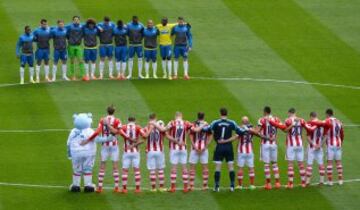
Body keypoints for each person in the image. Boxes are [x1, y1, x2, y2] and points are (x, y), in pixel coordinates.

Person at [196, 108, 248, 192]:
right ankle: (232, 186)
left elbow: (206, 130)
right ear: (227, 114)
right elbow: (242, 132)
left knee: (218, 167)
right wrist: (240, 131)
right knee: (230, 166)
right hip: (228, 147)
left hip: (219, 147)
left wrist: (201, 125)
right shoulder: (232, 123)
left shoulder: (215, 122)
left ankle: (217, 186)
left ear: (220, 114)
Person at [81, 106, 122, 193]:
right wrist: (109, 126)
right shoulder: (117, 121)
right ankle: (116, 188)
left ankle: (100, 187)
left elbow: (97, 132)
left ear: (107, 111)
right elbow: (116, 132)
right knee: (115, 166)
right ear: (114, 111)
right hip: (114, 145)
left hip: (104, 145)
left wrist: (88, 140)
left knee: (102, 165)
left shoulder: (102, 120)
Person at [271, 108, 313, 188]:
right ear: (295, 112)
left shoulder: (288, 120)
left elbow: (286, 130)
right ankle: (303, 183)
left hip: (291, 145)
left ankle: (290, 183)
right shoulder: (302, 120)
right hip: (300, 144)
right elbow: (308, 128)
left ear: (289, 112)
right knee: (301, 164)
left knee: (290, 164)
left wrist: (292, 125)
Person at [109, 116, 145, 193]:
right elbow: (144, 137)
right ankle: (138, 189)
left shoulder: (123, 127)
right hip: (136, 152)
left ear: (128, 120)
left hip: (126, 151)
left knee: (125, 170)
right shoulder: (138, 127)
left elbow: (115, 132)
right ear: (135, 120)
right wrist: (135, 144)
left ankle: (124, 189)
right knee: (136, 170)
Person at [309, 109, 344, 186]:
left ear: (327, 114)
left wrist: (307, 122)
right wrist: (341, 142)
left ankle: (330, 181)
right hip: (338, 144)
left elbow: (316, 124)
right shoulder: (339, 121)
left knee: (329, 162)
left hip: (330, 144)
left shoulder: (326, 121)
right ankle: (340, 180)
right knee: (338, 162)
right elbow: (342, 134)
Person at [163, 112, 193, 193]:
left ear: (175, 116)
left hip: (174, 148)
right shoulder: (186, 123)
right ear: (181, 116)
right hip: (183, 148)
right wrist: (186, 136)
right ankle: (186, 187)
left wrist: (174, 140)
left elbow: (165, 132)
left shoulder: (172, 123)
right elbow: (193, 129)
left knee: (174, 167)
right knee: (184, 167)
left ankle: (173, 188)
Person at [255, 106, 281, 190]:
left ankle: (268, 184)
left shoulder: (261, 120)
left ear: (265, 112)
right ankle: (277, 183)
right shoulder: (276, 119)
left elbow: (257, 132)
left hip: (265, 144)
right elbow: (281, 127)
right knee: (274, 163)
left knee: (266, 164)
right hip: (274, 143)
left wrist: (264, 137)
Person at [142, 114, 167, 192]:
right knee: (160, 169)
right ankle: (161, 187)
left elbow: (144, 136)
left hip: (150, 151)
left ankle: (153, 188)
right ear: (155, 119)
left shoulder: (146, 127)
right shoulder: (160, 128)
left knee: (152, 170)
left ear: (149, 119)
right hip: (159, 151)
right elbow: (163, 136)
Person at [188, 112, 211, 191]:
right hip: (204, 149)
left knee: (192, 167)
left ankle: (191, 186)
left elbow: (190, 136)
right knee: (205, 167)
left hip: (194, 149)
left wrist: (194, 146)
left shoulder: (193, 124)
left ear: (197, 116)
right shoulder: (207, 125)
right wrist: (205, 146)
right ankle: (205, 186)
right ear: (204, 117)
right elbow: (210, 136)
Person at [305, 112, 326, 186]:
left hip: (311, 147)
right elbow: (325, 137)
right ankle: (321, 181)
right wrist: (320, 145)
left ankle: (307, 182)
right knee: (321, 164)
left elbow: (308, 137)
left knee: (309, 164)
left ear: (311, 116)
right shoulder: (323, 124)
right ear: (316, 116)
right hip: (319, 147)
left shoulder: (310, 124)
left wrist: (314, 145)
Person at [66, 16, 85, 80]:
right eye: (75, 20)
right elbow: (64, 31)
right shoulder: (69, 26)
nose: (76, 21)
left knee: (81, 60)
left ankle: (83, 75)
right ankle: (73, 75)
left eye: (77, 20)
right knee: (72, 61)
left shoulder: (82, 26)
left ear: (79, 20)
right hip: (71, 46)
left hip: (79, 46)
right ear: (73, 21)